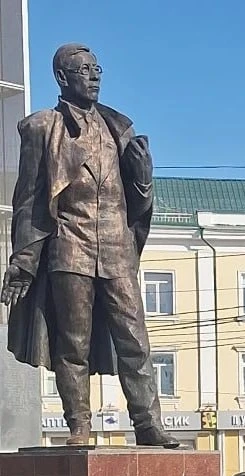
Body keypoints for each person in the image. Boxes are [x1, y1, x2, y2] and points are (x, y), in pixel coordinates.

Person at [0, 43, 179, 448]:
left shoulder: (119, 128)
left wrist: (145, 179)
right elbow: (28, 198)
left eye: (97, 68)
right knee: (72, 343)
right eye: (84, 69)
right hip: (70, 247)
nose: (95, 75)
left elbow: (136, 199)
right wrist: (24, 260)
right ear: (63, 77)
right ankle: (79, 425)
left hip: (117, 249)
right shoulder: (42, 128)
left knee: (135, 340)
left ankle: (148, 423)